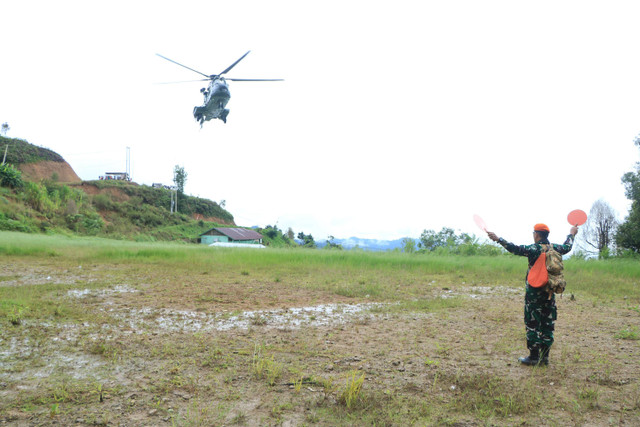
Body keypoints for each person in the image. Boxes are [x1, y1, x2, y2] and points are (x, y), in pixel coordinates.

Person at [487, 223, 578, 366]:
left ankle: (534, 357)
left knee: (532, 323)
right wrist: (572, 233)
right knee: (547, 323)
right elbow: (568, 246)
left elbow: (514, 248)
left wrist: (499, 239)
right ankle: (545, 357)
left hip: (534, 293)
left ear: (536, 234)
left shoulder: (533, 249)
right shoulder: (556, 248)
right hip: (549, 291)